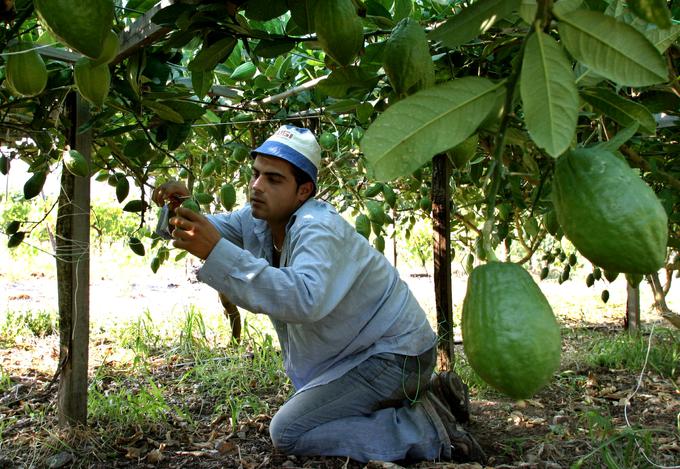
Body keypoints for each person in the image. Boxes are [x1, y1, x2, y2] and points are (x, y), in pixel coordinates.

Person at [152, 125, 486, 464]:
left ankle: (428, 429)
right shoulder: (256, 221)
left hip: (396, 355)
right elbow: (200, 231)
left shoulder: (318, 228)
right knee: (312, 415)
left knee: (289, 431)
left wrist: (217, 252)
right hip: (362, 355)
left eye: (273, 179)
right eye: (255, 175)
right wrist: (178, 206)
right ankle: (432, 396)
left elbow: (304, 298)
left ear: (303, 191)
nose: (257, 186)